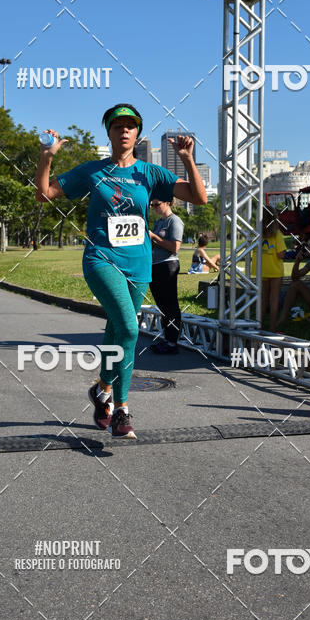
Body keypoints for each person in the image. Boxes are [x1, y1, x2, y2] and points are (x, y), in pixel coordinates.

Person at [34, 104, 206, 439]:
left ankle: (101, 389)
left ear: (138, 134)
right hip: (101, 259)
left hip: (139, 265)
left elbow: (198, 198)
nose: (124, 130)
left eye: (131, 126)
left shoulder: (150, 173)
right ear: (109, 132)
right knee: (129, 328)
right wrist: (46, 156)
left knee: (116, 330)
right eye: (118, 126)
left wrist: (187, 158)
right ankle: (122, 410)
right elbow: (45, 194)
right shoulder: (93, 171)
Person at [148, 199, 184, 355]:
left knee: (170, 305)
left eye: (157, 204)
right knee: (162, 306)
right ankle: (166, 338)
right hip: (155, 265)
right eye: (152, 205)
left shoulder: (174, 221)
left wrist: (154, 237)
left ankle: (172, 342)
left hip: (167, 265)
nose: (154, 207)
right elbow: (156, 243)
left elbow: (175, 247)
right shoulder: (159, 222)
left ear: (168, 203)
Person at [252, 208, 286, 332]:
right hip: (275, 271)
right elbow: (280, 254)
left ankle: (259, 325)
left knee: (263, 299)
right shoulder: (277, 234)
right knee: (274, 299)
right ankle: (272, 327)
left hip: (261, 270)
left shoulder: (255, 234)